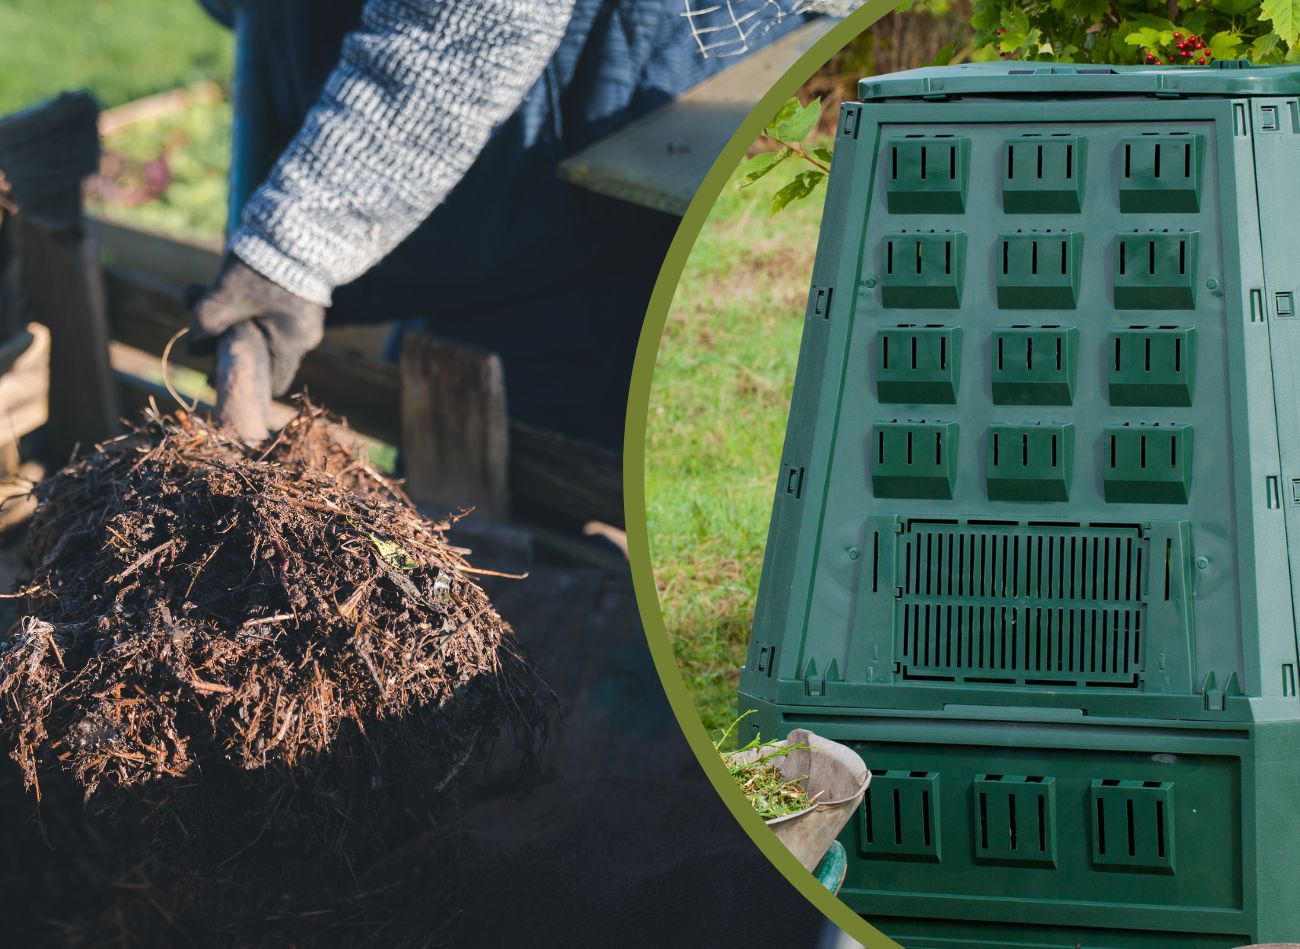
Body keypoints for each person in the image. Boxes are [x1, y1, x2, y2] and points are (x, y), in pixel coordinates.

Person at [188, 0, 830, 447]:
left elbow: (476, 23)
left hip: (646, 70)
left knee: (574, 402)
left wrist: (295, 245)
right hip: (526, 138)